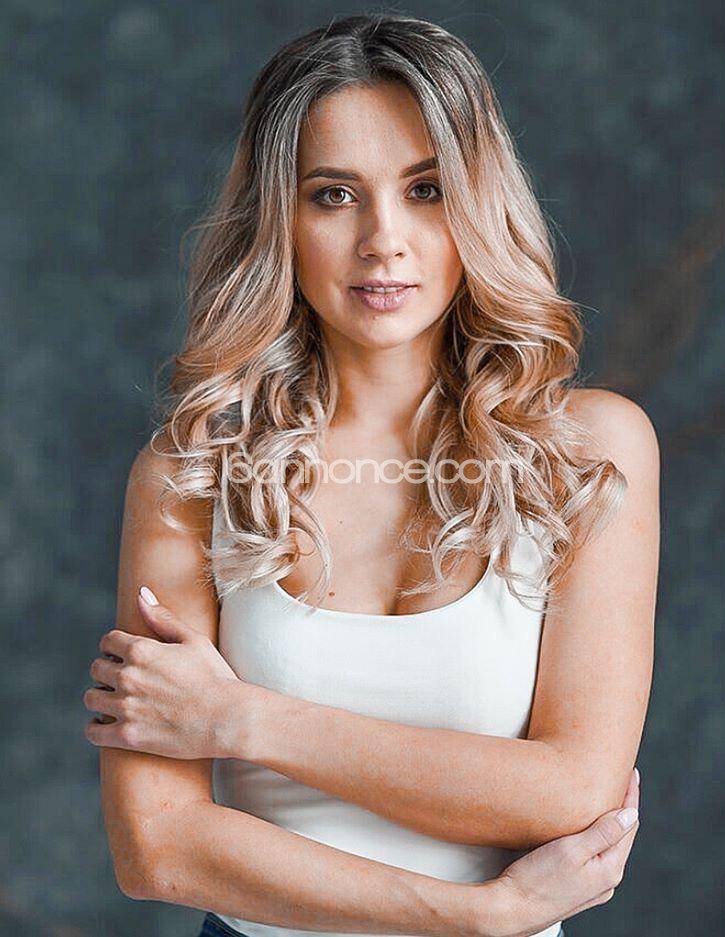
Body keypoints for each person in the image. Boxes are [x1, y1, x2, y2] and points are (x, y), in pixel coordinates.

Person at [82, 13, 659, 937]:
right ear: (280, 219)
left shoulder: (587, 450)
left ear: (478, 205)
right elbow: (157, 848)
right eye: (334, 195)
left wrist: (240, 720)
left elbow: (574, 789)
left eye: (426, 189)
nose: (383, 239)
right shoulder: (191, 474)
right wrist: (476, 915)